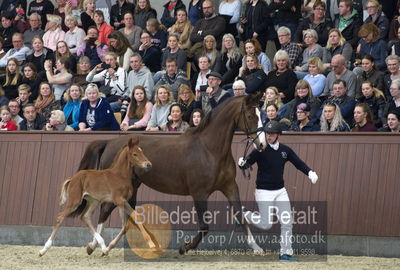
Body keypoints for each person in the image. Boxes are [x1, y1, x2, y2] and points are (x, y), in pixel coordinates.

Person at [237, 120, 319, 261]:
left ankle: (285, 253)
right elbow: (247, 162)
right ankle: (243, 214)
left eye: (272, 134)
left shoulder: (285, 150)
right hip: (263, 191)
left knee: (287, 222)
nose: (269, 136)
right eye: (267, 133)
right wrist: (242, 163)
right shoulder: (260, 150)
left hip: (280, 191)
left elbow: (298, 163)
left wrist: (310, 172)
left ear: (278, 135)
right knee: (266, 224)